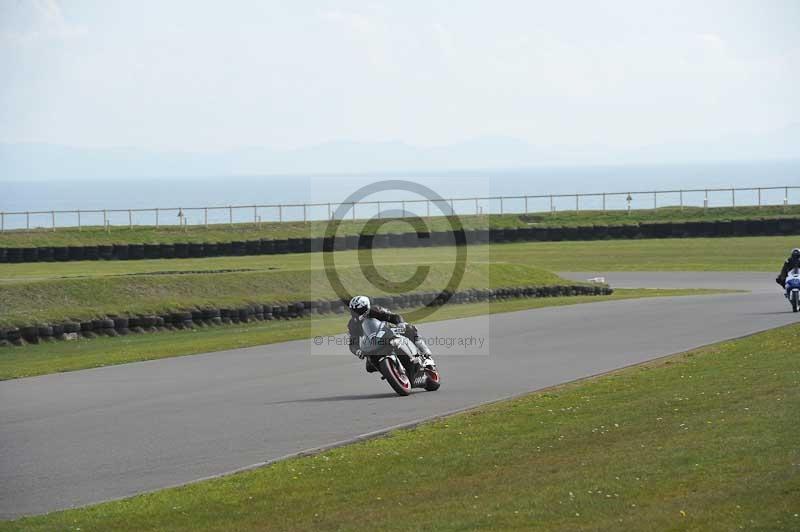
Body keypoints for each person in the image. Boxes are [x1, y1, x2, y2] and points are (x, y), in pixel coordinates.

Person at [347, 295, 432, 373]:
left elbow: (394, 317)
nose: (357, 313)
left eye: (359, 310)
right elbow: (353, 342)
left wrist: (400, 324)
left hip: (388, 332)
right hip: (373, 342)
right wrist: (357, 351)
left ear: (367, 307)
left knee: (409, 328)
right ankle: (391, 372)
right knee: (369, 367)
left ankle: (425, 353)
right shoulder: (352, 324)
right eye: (354, 311)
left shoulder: (376, 310)